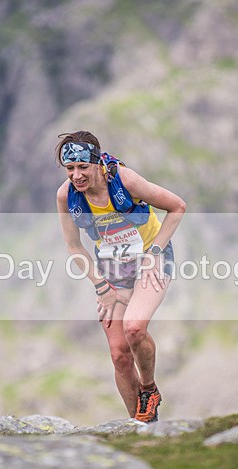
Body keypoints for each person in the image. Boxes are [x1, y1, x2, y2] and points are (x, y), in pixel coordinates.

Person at [55, 131, 186, 423]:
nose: (76, 175)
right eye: (70, 169)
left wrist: (154, 251)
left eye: (82, 167)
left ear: (98, 162)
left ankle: (149, 390)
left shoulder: (126, 181)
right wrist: (102, 287)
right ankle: (140, 427)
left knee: (135, 328)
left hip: (153, 260)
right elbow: (74, 246)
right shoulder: (66, 196)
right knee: (119, 355)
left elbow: (177, 207)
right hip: (113, 270)